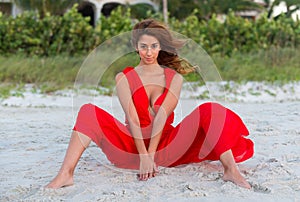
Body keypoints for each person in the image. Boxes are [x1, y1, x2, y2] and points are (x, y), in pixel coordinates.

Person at [46, 19, 254, 189]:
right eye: (144, 46)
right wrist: (144, 157)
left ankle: (230, 170)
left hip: (167, 148)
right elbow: (133, 117)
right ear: (136, 47)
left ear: (160, 47)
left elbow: (162, 115)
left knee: (211, 109)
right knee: (87, 111)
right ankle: (66, 174)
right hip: (128, 148)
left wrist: (152, 155)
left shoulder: (174, 78)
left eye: (154, 46)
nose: (148, 52)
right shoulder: (124, 77)